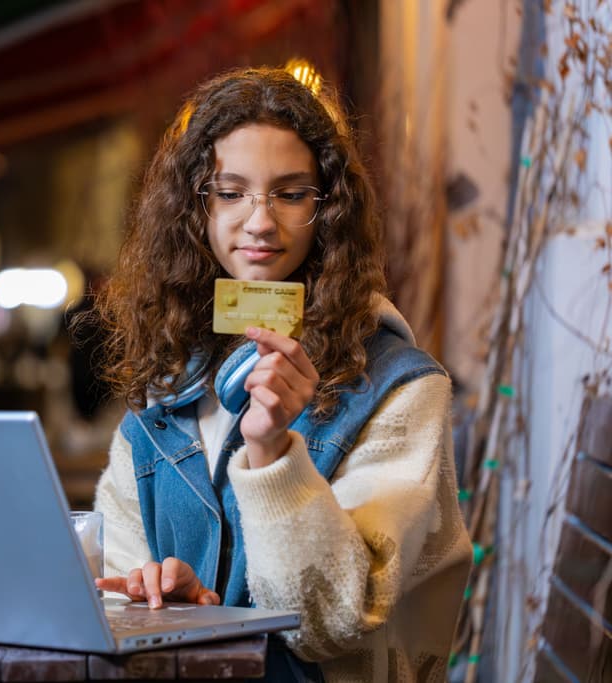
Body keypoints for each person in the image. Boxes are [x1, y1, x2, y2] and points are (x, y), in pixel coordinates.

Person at [88, 67, 472, 682]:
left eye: (291, 194)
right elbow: (112, 588)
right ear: (197, 207)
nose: (260, 222)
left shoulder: (402, 389)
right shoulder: (168, 384)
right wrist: (156, 595)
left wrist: (271, 454)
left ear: (328, 210)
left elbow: (328, 625)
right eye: (231, 192)